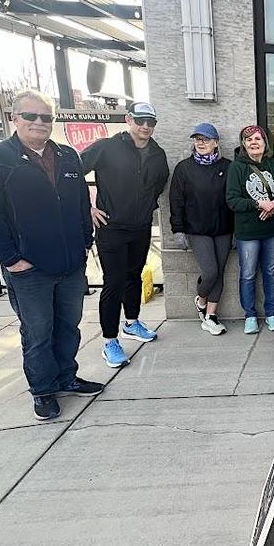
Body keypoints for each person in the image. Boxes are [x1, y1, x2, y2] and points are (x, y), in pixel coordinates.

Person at [0, 90, 102, 421]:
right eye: (31, 116)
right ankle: (43, 391)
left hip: (70, 265)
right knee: (38, 333)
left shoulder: (68, 156)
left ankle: (66, 377)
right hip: (29, 269)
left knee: (68, 327)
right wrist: (11, 259)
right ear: (14, 118)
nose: (39, 122)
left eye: (46, 117)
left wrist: (85, 242)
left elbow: (81, 203)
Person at [81, 101, 170, 369]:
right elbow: (71, 174)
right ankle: (110, 341)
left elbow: (159, 183)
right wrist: (87, 208)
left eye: (150, 122)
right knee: (114, 282)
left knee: (134, 276)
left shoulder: (157, 153)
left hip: (140, 226)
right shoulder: (107, 147)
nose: (145, 126)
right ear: (129, 119)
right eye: (140, 120)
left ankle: (132, 322)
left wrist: (147, 206)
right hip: (111, 227)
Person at [169, 122, 233, 336]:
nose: (201, 143)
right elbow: (176, 201)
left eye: (206, 139)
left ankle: (211, 317)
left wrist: (237, 230)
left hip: (223, 228)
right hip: (197, 229)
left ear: (216, 143)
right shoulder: (184, 168)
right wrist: (178, 230)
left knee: (220, 272)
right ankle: (201, 300)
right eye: (198, 139)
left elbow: (232, 199)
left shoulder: (228, 167)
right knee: (210, 272)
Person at [226, 124, 274, 335]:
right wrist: (259, 204)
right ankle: (250, 315)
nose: (254, 143)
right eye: (249, 140)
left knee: (271, 272)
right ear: (243, 144)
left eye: (258, 139)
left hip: (272, 230)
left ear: (265, 142)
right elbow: (232, 200)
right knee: (248, 274)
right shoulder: (236, 167)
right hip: (248, 232)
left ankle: (272, 313)